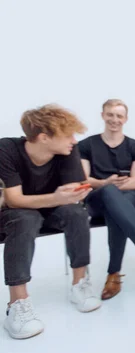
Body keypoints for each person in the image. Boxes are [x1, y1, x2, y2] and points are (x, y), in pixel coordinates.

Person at [0, 105, 101, 340]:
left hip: (51, 211)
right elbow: (14, 200)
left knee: (76, 214)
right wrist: (55, 197)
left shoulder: (69, 150)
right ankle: (18, 304)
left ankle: (79, 284)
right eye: (68, 135)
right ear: (44, 138)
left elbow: (74, 195)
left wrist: (74, 194)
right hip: (17, 213)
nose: (74, 141)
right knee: (26, 218)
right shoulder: (6, 149)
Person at [79, 99, 135, 301]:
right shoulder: (86, 145)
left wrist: (107, 184)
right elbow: (83, 181)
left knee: (117, 211)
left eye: (119, 116)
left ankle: (113, 275)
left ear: (125, 119)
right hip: (97, 200)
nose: (114, 119)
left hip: (130, 198)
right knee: (109, 193)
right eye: (110, 114)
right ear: (103, 115)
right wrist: (105, 183)